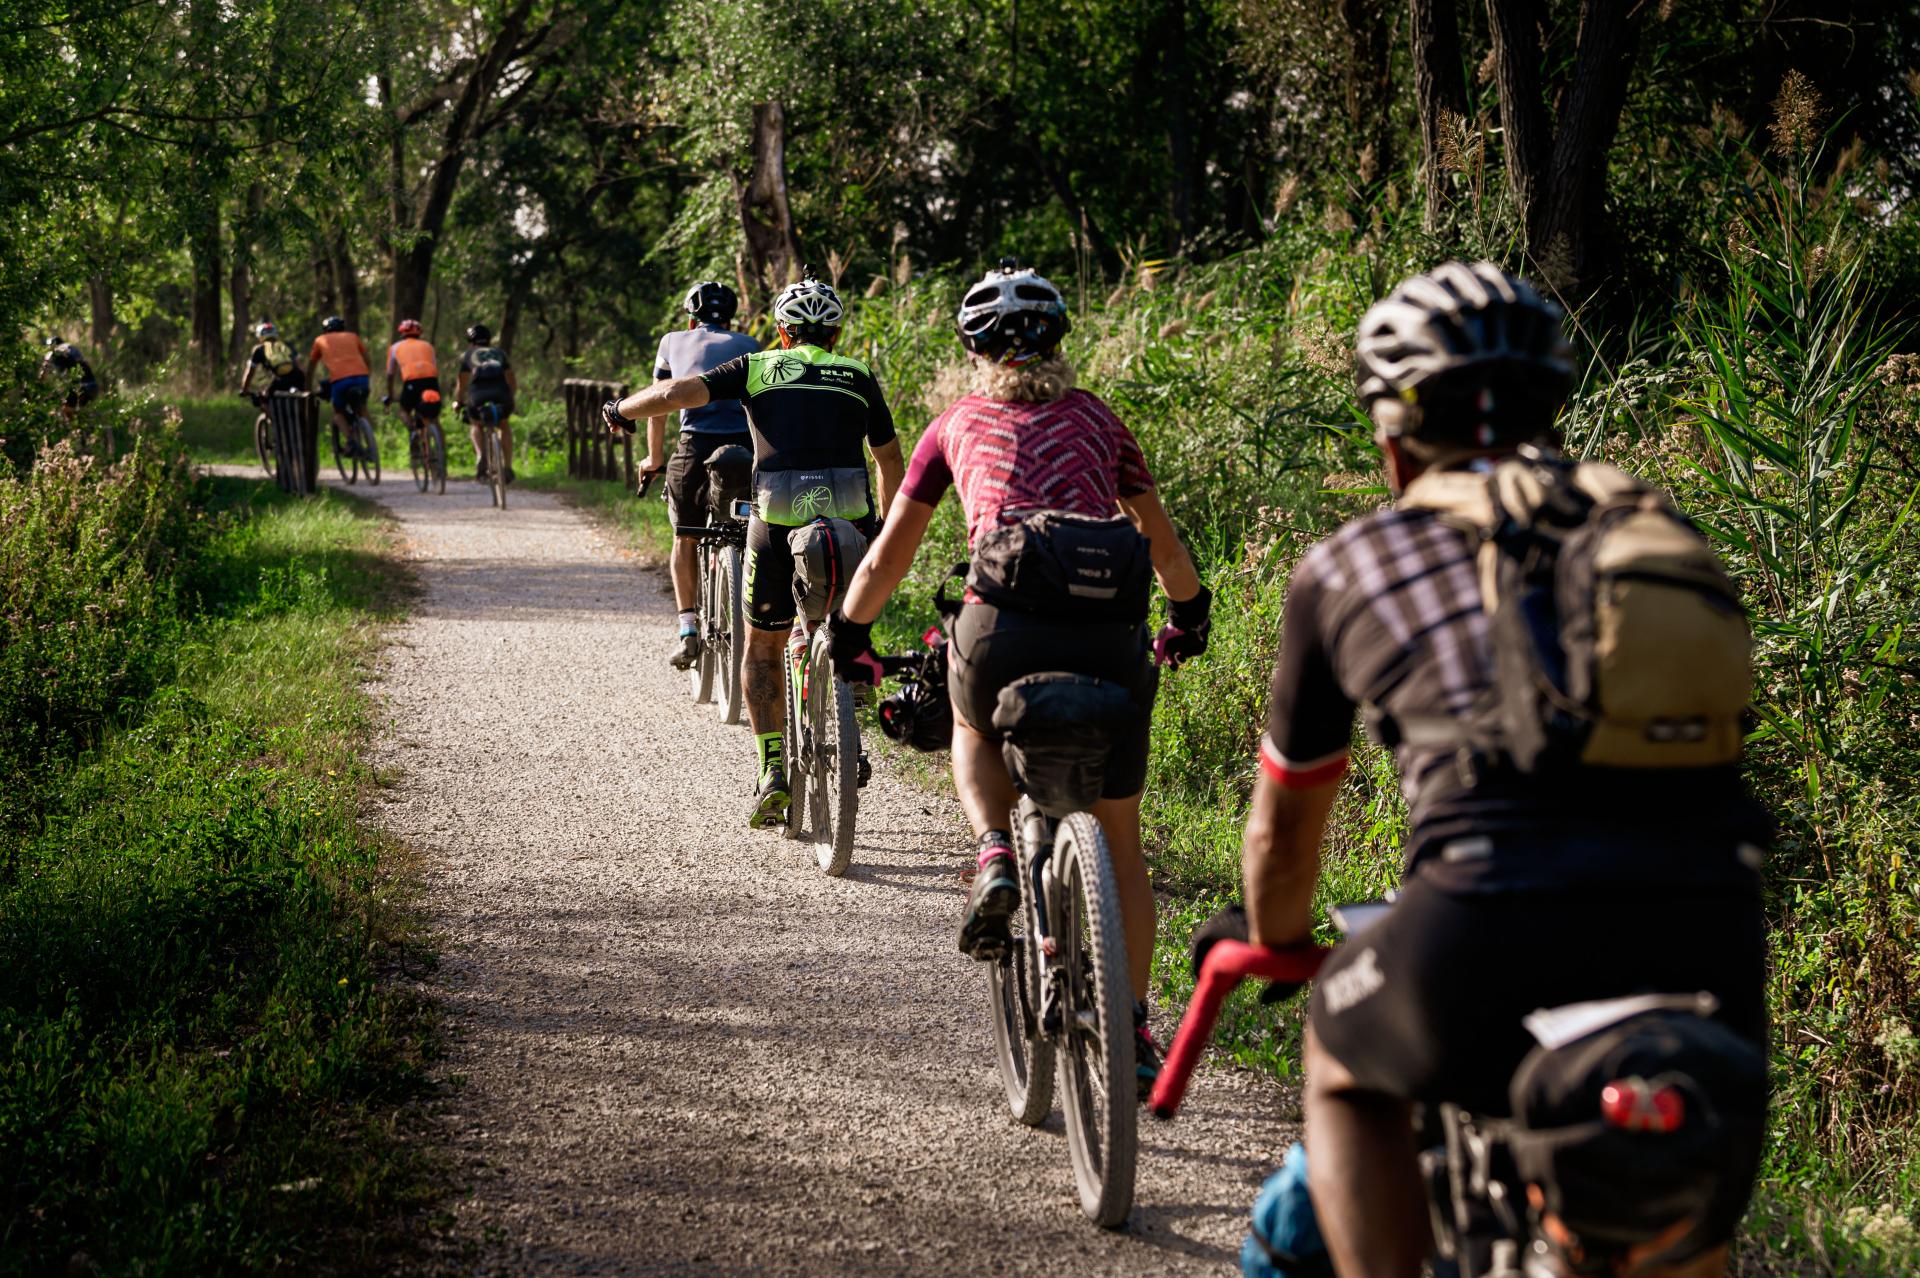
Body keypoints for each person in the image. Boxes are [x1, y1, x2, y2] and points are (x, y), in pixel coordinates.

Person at [1232, 263, 1769, 1277]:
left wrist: (1277, 937)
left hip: (1486, 916)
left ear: (1393, 439)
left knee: (1339, 1058)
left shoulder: (1350, 563)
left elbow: (1284, 830)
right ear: (1551, 409)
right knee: (1685, 1173)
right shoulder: (1649, 529)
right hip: (1710, 916)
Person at [823, 259, 1214, 1093]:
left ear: (974, 350)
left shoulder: (953, 425)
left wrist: (849, 631)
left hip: (1000, 627)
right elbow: (1166, 548)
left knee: (970, 725)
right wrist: (1188, 618)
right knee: (1122, 840)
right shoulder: (1102, 422)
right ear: (1060, 341)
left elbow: (890, 553)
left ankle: (995, 848)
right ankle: (1131, 1023)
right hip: (1108, 635)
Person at [603, 274, 904, 828]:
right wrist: (885, 529)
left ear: (783, 332)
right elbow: (888, 459)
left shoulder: (758, 367)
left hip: (777, 521)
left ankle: (771, 769)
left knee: (762, 647)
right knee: (847, 610)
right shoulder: (858, 375)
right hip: (849, 520)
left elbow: (674, 395)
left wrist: (622, 409)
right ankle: (853, 677)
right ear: (835, 335)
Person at [645, 281, 762, 670]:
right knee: (754, 529)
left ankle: (688, 630)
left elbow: (659, 404)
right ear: (731, 318)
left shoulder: (671, 341)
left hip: (695, 446)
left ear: (691, 318)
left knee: (685, 535)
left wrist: (654, 459)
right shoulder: (751, 344)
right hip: (745, 448)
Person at [457, 323, 519, 483]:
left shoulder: (468, 355)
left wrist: (459, 401)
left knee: (476, 423)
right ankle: (507, 467)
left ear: (471, 342)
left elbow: (462, 384)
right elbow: (511, 378)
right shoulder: (500, 353)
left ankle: (480, 456)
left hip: (478, 393)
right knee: (504, 425)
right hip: (501, 392)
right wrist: (510, 396)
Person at [308, 315, 373, 442]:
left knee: (338, 413)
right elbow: (367, 360)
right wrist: (367, 375)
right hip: (362, 378)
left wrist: (308, 387)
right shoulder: (353, 336)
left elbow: (311, 368)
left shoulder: (320, 340)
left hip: (340, 381)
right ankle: (371, 441)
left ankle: (351, 440)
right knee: (362, 408)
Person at [384, 318, 441, 430]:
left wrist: (390, 394)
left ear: (402, 333)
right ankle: (439, 440)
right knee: (434, 418)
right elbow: (434, 366)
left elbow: (390, 374)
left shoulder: (395, 347)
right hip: (431, 380)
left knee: (403, 410)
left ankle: (413, 431)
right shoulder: (428, 346)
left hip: (412, 381)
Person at [237, 321, 306, 395]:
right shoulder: (287, 344)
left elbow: (250, 372)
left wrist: (244, 389)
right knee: (303, 397)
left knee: (265, 396)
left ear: (259, 335)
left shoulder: (259, 349)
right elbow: (300, 365)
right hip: (299, 377)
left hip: (280, 380)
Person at [40, 335, 100, 417]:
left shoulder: (54, 352)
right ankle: (87, 416)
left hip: (81, 387)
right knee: (70, 411)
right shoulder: (72, 349)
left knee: (61, 407)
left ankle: (86, 414)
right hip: (93, 386)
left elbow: (44, 370)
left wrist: (38, 385)